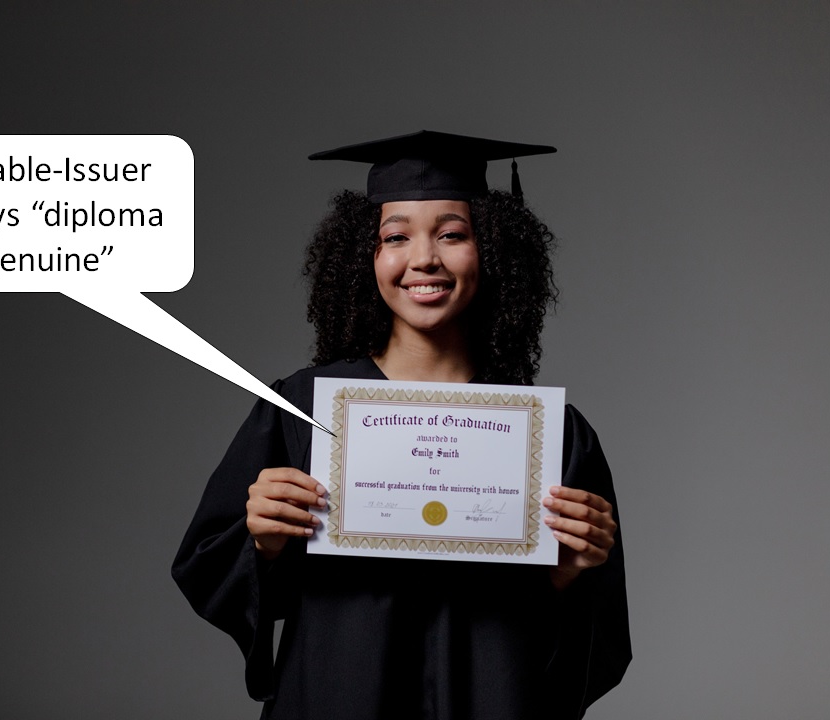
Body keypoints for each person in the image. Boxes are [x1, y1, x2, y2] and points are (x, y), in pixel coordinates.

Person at [173, 131, 631, 719]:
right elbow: (210, 568)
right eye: (396, 236)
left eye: (452, 234)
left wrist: (569, 579)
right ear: (364, 256)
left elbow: (593, 648)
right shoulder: (301, 408)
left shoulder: (548, 435)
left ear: (491, 248)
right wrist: (259, 543)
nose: (423, 259)